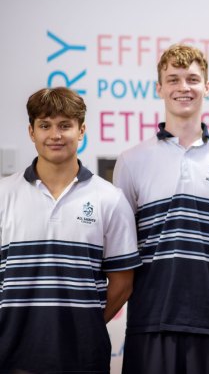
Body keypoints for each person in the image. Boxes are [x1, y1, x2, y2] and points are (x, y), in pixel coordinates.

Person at [113, 43, 209, 374]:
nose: (183, 87)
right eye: (173, 79)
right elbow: (123, 246)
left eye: (192, 78)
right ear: (159, 88)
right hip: (151, 318)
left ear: (207, 85)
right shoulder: (131, 161)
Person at [0, 87, 141, 373]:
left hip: (83, 358)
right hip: (9, 355)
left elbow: (123, 283)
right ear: (31, 132)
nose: (55, 135)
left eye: (65, 125)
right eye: (45, 125)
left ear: (81, 130)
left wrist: (84, 324)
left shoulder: (110, 198)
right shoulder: (3, 194)